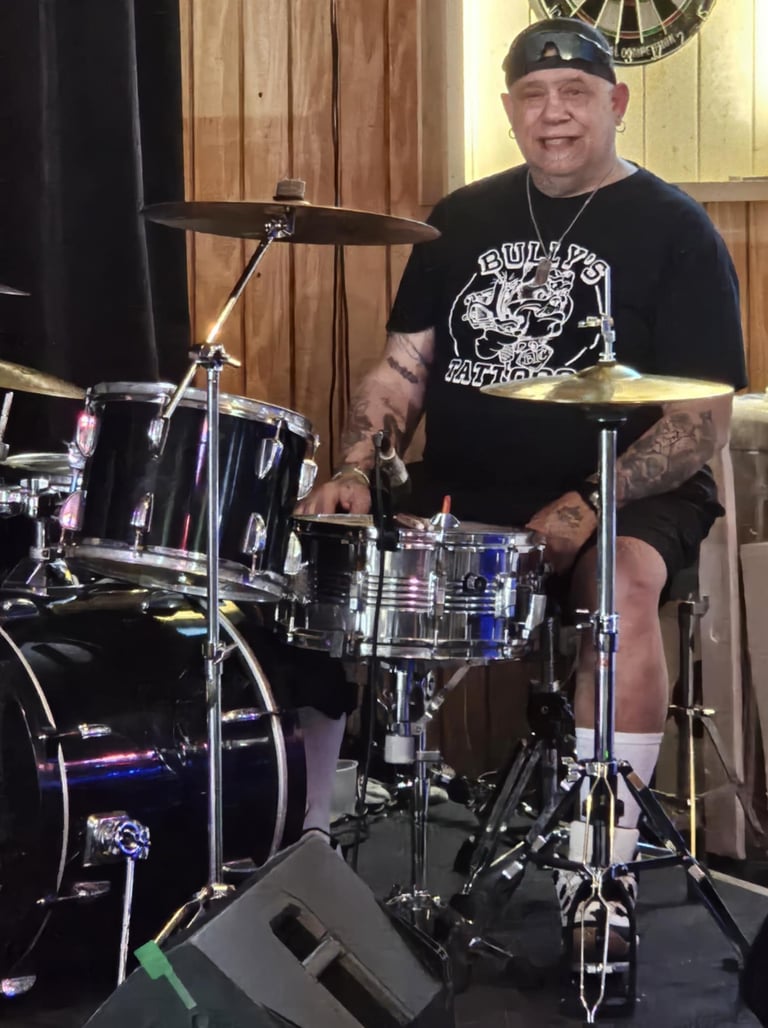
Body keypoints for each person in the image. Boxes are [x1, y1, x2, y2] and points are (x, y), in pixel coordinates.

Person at [295, 16, 747, 961]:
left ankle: (600, 873)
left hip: (630, 486)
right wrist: (356, 466)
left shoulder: (677, 231)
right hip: (470, 482)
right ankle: (309, 840)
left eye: (576, 94)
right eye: (534, 97)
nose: (555, 114)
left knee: (622, 585)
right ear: (509, 111)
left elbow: (699, 422)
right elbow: (403, 370)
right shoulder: (458, 219)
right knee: (318, 563)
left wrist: (586, 505)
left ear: (616, 103)